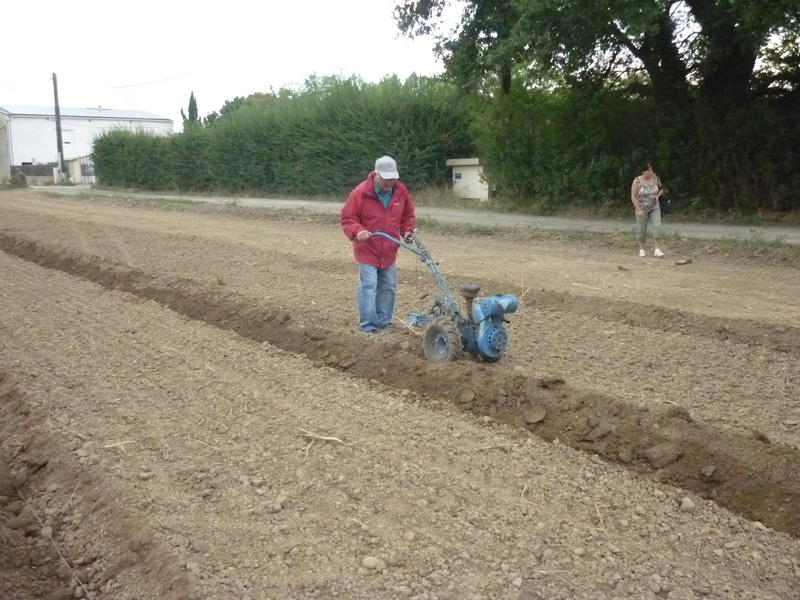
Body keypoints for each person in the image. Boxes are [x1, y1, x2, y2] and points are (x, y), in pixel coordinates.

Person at [341, 156, 416, 334]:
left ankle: (384, 322)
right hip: (367, 248)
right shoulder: (360, 192)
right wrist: (358, 231)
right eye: (386, 179)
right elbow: (348, 218)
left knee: (388, 284)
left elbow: (407, 214)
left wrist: (406, 231)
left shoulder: (400, 191)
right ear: (376, 174)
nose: (390, 183)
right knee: (369, 284)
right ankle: (368, 326)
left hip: (389, 248)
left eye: (393, 179)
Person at [631, 162, 667, 257]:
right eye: (648, 170)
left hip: (654, 206)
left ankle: (657, 249)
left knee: (657, 226)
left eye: (651, 170)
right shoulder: (637, 181)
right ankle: (642, 249)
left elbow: (662, 189)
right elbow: (633, 196)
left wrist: (657, 196)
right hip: (642, 207)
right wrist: (638, 210)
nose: (651, 172)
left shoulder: (655, 178)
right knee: (642, 229)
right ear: (643, 171)